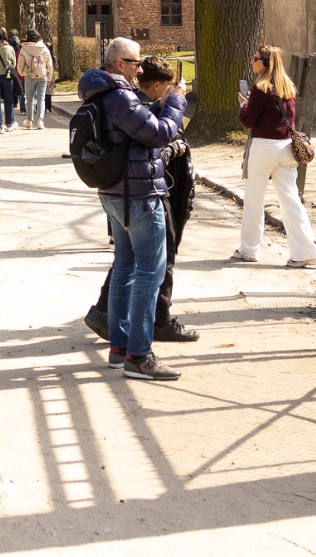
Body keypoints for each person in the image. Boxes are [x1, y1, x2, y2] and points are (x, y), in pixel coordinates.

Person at [80, 37, 187, 382]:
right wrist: (177, 102)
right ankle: (139, 356)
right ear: (119, 64)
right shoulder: (121, 96)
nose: (140, 70)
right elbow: (159, 134)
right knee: (149, 274)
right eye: (136, 63)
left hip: (115, 191)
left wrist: (159, 104)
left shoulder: (102, 93)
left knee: (125, 268)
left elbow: (133, 129)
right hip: (138, 194)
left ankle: (119, 348)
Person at [232, 45, 316, 267]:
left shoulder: (261, 88)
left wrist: (244, 105)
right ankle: (306, 252)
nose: (252, 62)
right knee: (291, 200)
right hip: (287, 148)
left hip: (264, 147)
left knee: (254, 200)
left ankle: (249, 249)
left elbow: (248, 120)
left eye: (256, 59)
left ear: (266, 63)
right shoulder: (288, 87)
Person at [17, 30, 54, 130]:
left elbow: (20, 65)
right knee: (41, 99)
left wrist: (23, 74)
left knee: (29, 99)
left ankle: (29, 121)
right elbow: (49, 64)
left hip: (29, 76)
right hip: (42, 76)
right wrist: (49, 77)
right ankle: (40, 121)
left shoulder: (24, 49)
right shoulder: (44, 48)